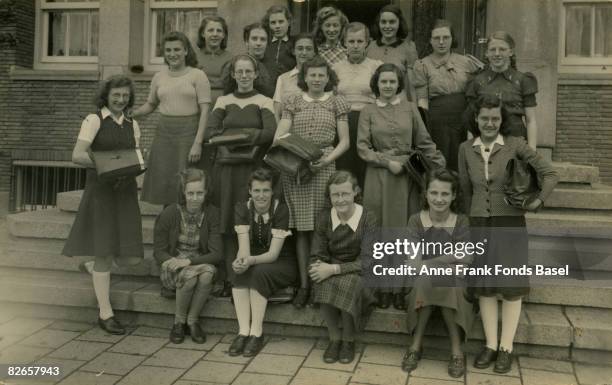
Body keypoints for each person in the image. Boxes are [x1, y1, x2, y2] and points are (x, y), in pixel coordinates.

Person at [458, 95, 558, 373]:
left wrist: (537, 202)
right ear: (475, 120)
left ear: (502, 121)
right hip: (479, 225)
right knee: (486, 287)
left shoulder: (515, 145)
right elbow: (466, 191)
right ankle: (490, 345)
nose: (489, 123)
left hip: (510, 224)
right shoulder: (465, 148)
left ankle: (506, 348)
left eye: (495, 119)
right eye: (484, 118)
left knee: (511, 287)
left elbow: (549, 173)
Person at [357, 63, 445, 309]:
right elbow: (363, 147)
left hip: (407, 177)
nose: (387, 86)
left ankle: (401, 288)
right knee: (380, 232)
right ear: (377, 84)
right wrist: (386, 162)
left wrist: (441, 166)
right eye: (383, 82)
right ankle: (381, 290)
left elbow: (424, 142)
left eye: (392, 82)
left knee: (403, 232)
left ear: (399, 84)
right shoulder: (368, 111)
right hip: (378, 177)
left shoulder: (410, 109)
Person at [62, 75, 143, 335]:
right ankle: (105, 313)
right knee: (105, 251)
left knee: (124, 254)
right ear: (106, 95)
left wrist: (136, 166)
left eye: (125, 96)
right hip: (102, 193)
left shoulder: (133, 124)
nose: (121, 100)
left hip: (125, 193)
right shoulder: (94, 119)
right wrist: (107, 164)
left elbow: (135, 157)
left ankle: (92, 266)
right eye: (116, 95)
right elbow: (77, 155)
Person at [275, 56, 351, 308]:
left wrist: (327, 158)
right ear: (304, 77)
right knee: (302, 230)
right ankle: (304, 286)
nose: (317, 79)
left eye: (321, 75)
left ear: (328, 77)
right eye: (312, 75)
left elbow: (344, 141)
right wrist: (299, 152)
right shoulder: (293, 101)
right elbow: (281, 133)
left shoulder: (337, 102)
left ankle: (321, 285)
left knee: (321, 228)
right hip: (298, 167)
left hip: (325, 167)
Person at [207, 54, 277, 298]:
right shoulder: (223, 101)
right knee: (227, 223)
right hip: (226, 170)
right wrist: (246, 137)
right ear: (233, 74)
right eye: (240, 72)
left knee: (247, 221)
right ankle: (228, 278)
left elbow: (269, 132)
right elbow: (211, 132)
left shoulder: (264, 101)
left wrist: (237, 136)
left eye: (249, 71)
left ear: (256, 74)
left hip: (252, 171)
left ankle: (247, 275)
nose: (244, 76)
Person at [401, 169, 473, 378]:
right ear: (425, 194)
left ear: (454, 196)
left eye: (444, 194)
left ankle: (455, 350)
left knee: (445, 283)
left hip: (455, 282)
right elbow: (413, 265)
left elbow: (466, 260)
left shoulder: (461, 222)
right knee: (427, 281)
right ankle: (416, 345)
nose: (439, 199)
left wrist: (428, 263)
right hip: (421, 280)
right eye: (434, 193)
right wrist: (449, 259)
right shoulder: (416, 221)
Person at [132, 32, 211, 206]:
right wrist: (134, 113)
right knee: (165, 180)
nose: (172, 54)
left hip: (188, 132)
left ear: (185, 51)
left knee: (186, 179)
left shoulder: (197, 75)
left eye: (177, 49)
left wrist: (197, 142)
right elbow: (151, 104)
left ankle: (187, 221)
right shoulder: (159, 77)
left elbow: (205, 111)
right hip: (164, 133)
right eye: (168, 50)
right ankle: (169, 220)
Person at [228, 168, 297, 357]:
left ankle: (256, 333)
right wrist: (242, 261)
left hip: (281, 262)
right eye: (257, 190)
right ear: (250, 191)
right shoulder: (242, 208)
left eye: (266, 190)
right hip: (255, 258)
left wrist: (250, 261)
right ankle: (243, 331)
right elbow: (243, 248)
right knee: (238, 270)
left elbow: (274, 254)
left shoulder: (280, 209)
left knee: (258, 272)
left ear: (272, 191)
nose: (261, 196)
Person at [310, 171, 378, 364]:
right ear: (329, 196)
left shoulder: (368, 218)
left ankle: (348, 340)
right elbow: (317, 253)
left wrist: (333, 269)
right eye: (335, 195)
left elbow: (368, 261)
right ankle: (334, 339)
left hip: (362, 273)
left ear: (355, 192)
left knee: (348, 283)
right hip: (330, 267)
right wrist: (319, 268)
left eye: (345, 194)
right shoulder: (324, 217)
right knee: (320, 280)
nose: (340, 200)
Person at [153, 168, 221, 344]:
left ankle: (192, 321)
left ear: (206, 192)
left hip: (199, 261)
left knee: (207, 276)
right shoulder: (170, 213)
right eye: (190, 193)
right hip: (174, 264)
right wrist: (173, 262)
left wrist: (189, 261)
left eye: (200, 193)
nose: (195, 198)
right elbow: (159, 251)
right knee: (190, 278)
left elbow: (216, 254)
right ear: (183, 192)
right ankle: (178, 321)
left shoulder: (212, 214)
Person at [413, 19, 483, 171]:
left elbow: (478, 91)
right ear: (430, 41)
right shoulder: (422, 65)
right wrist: (424, 128)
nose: (441, 42)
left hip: (465, 119)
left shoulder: (467, 62)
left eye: (446, 37)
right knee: (441, 162)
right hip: (438, 121)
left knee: (464, 160)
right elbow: (423, 100)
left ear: (452, 39)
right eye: (436, 38)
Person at [465, 31, 538, 148]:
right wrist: (471, 150)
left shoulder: (523, 80)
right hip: (486, 144)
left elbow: (531, 120)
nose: (497, 54)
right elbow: (471, 122)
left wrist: (532, 151)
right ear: (486, 53)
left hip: (516, 143)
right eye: (493, 50)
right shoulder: (477, 81)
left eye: (502, 49)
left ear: (511, 52)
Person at [333, 22, 383, 189]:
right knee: (345, 165)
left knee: (365, 164)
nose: (355, 46)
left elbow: (383, 96)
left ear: (367, 42)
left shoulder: (376, 66)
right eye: (351, 41)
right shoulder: (336, 68)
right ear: (344, 43)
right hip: (343, 122)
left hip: (369, 120)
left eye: (359, 41)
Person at [366, 4, 419, 101]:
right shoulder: (369, 47)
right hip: (373, 103)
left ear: (399, 23)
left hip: (398, 103)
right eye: (383, 22)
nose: (387, 26)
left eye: (392, 22)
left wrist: (414, 109)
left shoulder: (408, 48)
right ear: (379, 23)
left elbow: (412, 85)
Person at [221, 23, 276, 98]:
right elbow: (227, 95)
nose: (258, 43)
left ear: (268, 43)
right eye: (254, 39)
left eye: (263, 39)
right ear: (247, 41)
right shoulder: (234, 64)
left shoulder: (275, 67)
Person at [272, 33, 317, 120]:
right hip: (287, 130)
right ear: (293, 51)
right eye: (300, 48)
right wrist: (280, 133)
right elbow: (276, 113)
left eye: (308, 49)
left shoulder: (321, 77)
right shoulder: (282, 79)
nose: (304, 52)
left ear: (314, 52)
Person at [196, 15, 233, 106]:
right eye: (210, 30)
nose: (215, 34)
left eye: (219, 31)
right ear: (203, 34)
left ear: (224, 35)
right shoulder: (194, 57)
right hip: (198, 105)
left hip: (224, 105)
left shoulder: (231, 58)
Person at [262, 5, 296, 84]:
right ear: (269, 24)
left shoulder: (295, 43)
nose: (277, 26)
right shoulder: (265, 44)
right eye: (273, 23)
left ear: (289, 22)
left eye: (281, 22)